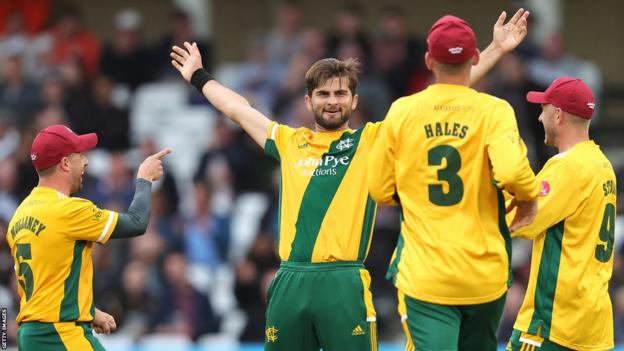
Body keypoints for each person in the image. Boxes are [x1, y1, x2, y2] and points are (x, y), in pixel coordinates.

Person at [170, 9, 529, 351]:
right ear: (308, 101)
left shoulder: (370, 140)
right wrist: (198, 76)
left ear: (354, 101)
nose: (332, 102)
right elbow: (238, 109)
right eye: (323, 94)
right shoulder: (288, 141)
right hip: (290, 280)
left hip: (344, 282)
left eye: (340, 93)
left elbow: (447, 93)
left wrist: (495, 49)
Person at [367, 14, 539, 351]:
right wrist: (529, 197)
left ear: (429, 60)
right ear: (475, 58)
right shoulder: (495, 110)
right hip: (483, 273)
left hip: (426, 273)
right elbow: (514, 174)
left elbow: (379, 189)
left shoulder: (402, 111)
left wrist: (414, 191)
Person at [6, 125, 170, 350]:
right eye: (80, 155)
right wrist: (144, 179)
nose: (86, 162)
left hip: (31, 336)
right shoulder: (67, 210)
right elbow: (136, 223)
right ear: (65, 163)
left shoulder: (19, 214)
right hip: (61, 334)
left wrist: (88, 311)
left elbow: (48, 281)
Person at [505, 77, 616, 350]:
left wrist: (506, 171)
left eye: (543, 109)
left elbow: (520, 222)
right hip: (594, 326)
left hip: (553, 325)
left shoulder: (567, 167)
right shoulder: (603, 165)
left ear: (558, 115)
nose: (540, 117)